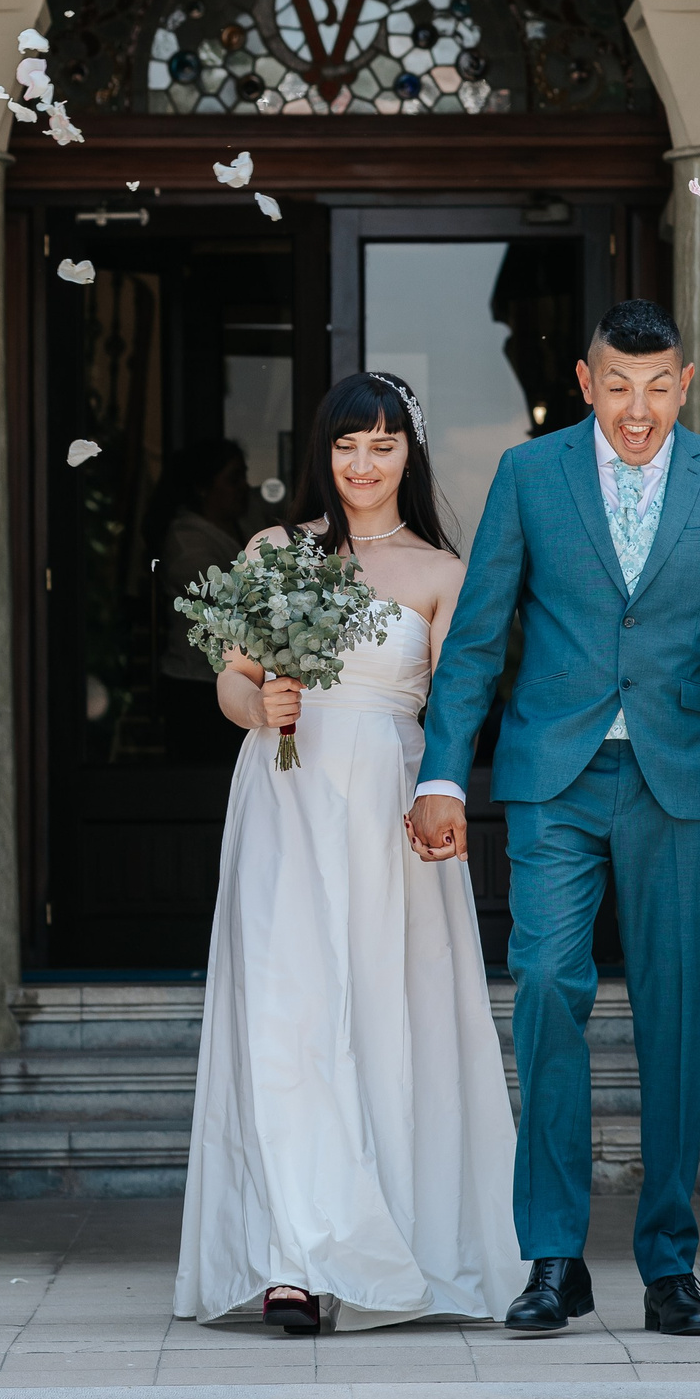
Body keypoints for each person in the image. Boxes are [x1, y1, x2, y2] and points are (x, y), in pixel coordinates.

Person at [407, 299, 700, 1338]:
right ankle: (552, 1257)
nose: (639, 410)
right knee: (546, 985)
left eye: (659, 387)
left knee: (674, 1017)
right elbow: (476, 638)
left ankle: (669, 1263)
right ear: (587, 384)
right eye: (618, 387)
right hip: (556, 774)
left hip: (679, 779)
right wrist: (443, 775)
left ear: (686, 383)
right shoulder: (529, 476)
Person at [174, 373, 519, 1335]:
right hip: (283, 795)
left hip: (384, 800)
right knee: (285, 1011)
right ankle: (292, 1254)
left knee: (380, 1010)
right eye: (344, 447)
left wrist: (439, 796)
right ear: (320, 457)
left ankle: (386, 1237)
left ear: (410, 453)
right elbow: (231, 684)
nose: (361, 466)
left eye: (382, 445)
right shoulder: (274, 551)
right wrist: (262, 704)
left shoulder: (443, 572)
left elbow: (457, 709)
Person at [151, 438, 252, 764]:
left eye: (243, 477)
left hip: (236, 678)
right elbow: (222, 600)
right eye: (233, 479)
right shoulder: (186, 540)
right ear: (203, 488)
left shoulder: (240, 528)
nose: (243, 487)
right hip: (196, 683)